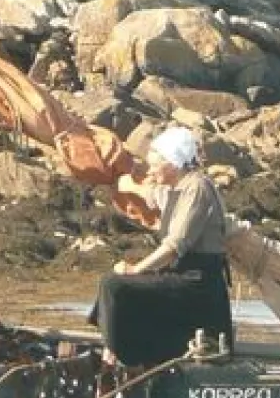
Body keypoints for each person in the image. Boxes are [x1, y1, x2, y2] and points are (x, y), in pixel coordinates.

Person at [93, 126, 234, 363]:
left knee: (114, 285)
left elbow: (173, 246)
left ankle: (114, 353)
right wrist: (124, 183)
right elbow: (151, 194)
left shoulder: (197, 188)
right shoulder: (174, 188)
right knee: (115, 284)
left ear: (173, 162)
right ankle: (117, 345)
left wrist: (137, 270)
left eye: (155, 164)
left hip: (197, 283)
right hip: (179, 276)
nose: (151, 169)